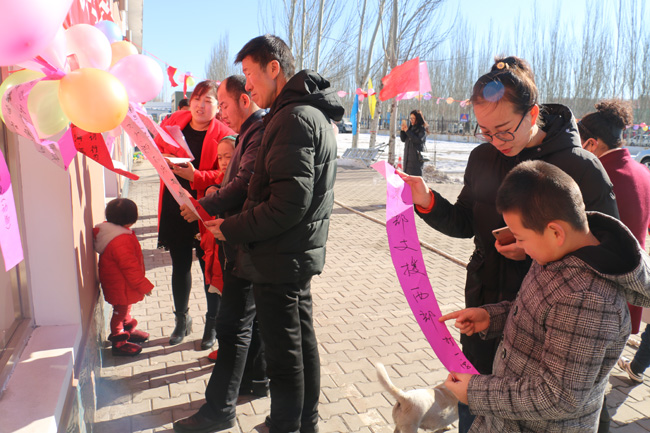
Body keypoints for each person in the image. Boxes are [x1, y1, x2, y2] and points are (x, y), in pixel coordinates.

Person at [399, 56, 619, 433]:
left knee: (533, 409)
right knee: (475, 395)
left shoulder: (579, 167)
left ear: (532, 113)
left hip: (550, 317)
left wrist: (540, 248)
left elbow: (609, 247)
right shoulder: (484, 158)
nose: (497, 141)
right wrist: (426, 200)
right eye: (485, 131)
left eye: (504, 130)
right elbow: (466, 220)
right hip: (487, 304)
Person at [440, 160, 650, 433]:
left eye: (521, 238)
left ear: (555, 232)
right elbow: (538, 312)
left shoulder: (588, 300)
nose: (521, 247)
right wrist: (490, 316)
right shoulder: (560, 252)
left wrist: (475, 391)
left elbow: (558, 396)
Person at [201, 35, 343, 433]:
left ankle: (286, 426)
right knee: (300, 346)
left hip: (280, 257)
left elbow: (286, 204)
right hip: (291, 254)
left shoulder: (293, 117)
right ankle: (303, 423)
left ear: (273, 68)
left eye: (249, 74)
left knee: (284, 358)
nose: (247, 85)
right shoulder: (302, 113)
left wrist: (230, 228)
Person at [173, 75, 270, 433]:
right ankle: (254, 382)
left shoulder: (257, 133)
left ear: (245, 101)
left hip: (246, 241)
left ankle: (219, 409)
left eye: (223, 104)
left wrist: (202, 205)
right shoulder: (251, 134)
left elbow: (242, 187)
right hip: (245, 238)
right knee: (249, 322)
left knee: (233, 326)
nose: (220, 112)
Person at [154, 80, 234, 349]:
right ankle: (182, 320)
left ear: (217, 107)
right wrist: (162, 158)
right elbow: (156, 149)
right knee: (179, 265)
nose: (200, 105)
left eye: (208, 101)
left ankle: (212, 325)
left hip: (204, 209)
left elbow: (226, 174)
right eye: (197, 99)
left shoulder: (224, 133)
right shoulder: (175, 122)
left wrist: (196, 176)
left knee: (209, 268)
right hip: (174, 204)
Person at [577, 99, 650, 384]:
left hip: (596, 295)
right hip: (631, 290)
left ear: (592, 144)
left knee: (587, 385)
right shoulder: (643, 173)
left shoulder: (596, 176)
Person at [93, 198, 154, 356]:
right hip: (121, 284)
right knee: (119, 311)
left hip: (119, 283)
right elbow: (130, 268)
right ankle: (119, 341)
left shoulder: (115, 233)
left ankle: (127, 329)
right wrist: (144, 286)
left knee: (124, 308)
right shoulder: (121, 240)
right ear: (132, 219)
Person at [399, 110, 427, 176]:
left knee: (415, 179)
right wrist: (403, 131)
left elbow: (418, 140)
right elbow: (403, 139)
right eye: (410, 118)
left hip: (416, 159)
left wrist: (407, 131)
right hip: (407, 158)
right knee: (407, 178)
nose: (411, 120)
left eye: (413, 118)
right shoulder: (410, 128)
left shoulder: (421, 129)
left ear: (418, 118)